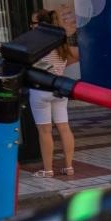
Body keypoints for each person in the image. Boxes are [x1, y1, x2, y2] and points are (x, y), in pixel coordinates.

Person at [29, 9, 75, 178]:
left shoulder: (36, 42)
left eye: (33, 23)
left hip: (40, 90)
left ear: (41, 25)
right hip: (59, 88)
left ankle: (48, 170)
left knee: (45, 131)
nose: (31, 26)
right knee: (64, 128)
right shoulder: (61, 41)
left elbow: (32, 65)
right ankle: (69, 167)